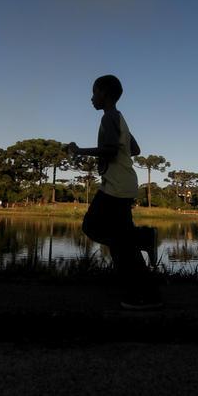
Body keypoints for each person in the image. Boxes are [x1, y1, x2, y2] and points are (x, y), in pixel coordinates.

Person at [66, 75, 162, 310]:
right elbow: (135, 149)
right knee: (122, 240)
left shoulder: (109, 118)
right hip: (124, 184)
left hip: (116, 187)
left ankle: (141, 292)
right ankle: (143, 279)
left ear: (105, 94)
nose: (91, 98)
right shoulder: (119, 118)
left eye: (94, 92)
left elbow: (109, 151)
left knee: (93, 227)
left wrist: (79, 151)